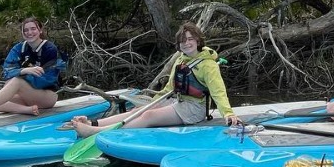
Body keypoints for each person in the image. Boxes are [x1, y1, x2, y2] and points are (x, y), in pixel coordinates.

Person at [70, 22, 239, 137]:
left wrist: (228, 113)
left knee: (149, 116)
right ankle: (94, 122)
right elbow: (168, 89)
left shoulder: (208, 65)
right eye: (182, 40)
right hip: (177, 101)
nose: (186, 43)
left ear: (197, 40)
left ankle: (99, 132)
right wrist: (153, 102)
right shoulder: (180, 60)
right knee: (139, 110)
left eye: (190, 39)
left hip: (194, 108)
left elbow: (219, 92)